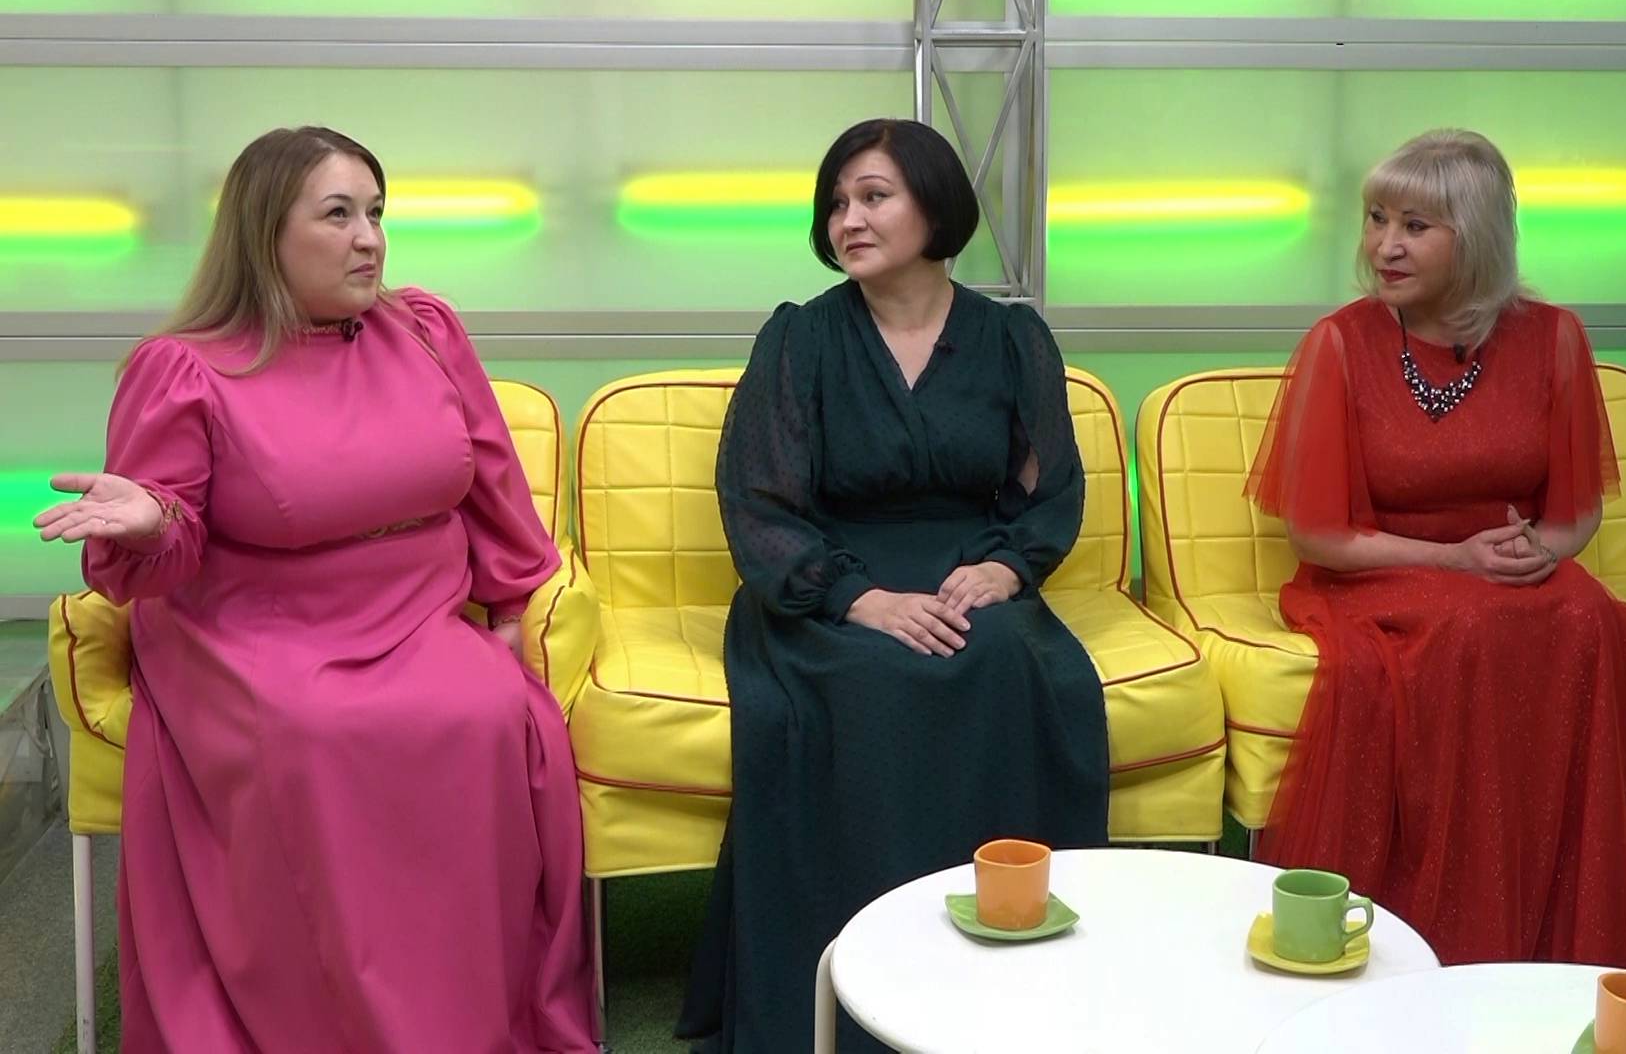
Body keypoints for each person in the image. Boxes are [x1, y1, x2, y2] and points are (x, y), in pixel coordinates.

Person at [1243, 129, 1626, 1026]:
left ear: (1477, 236)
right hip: (1383, 574)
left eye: (1415, 226)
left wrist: (1540, 548)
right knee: (1476, 628)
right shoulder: (1340, 344)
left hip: (1511, 571)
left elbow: (1575, 517)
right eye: (1377, 219)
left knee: (1585, 618)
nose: (1385, 245)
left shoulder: (1556, 339)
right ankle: (1460, 940)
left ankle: (1575, 928)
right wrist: (1452, 558)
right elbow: (1319, 535)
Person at [33, 126, 595, 1052]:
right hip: (254, 628)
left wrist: (508, 607)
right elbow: (170, 539)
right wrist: (153, 521)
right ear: (265, 232)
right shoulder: (185, 366)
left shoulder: (425, 331)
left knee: (490, 713)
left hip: (415, 616)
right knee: (320, 736)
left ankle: (462, 1012)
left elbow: (490, 479)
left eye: (375, 213)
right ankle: (333, 1018)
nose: (369, 238)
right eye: (338, 215)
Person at [676, 118, 1109, 1051]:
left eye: (874, 197)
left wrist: (1005, 568)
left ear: (935, 205)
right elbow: (759, 500)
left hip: (969, 568)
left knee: (1001, 660)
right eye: (837, 202)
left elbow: (1052, 489)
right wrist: (858, 600)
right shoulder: (799, 339)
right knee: (872, 676)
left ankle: (999, 974)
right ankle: (866, 985)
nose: (849, 220)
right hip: (830, 583)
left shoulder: (1012, 338)